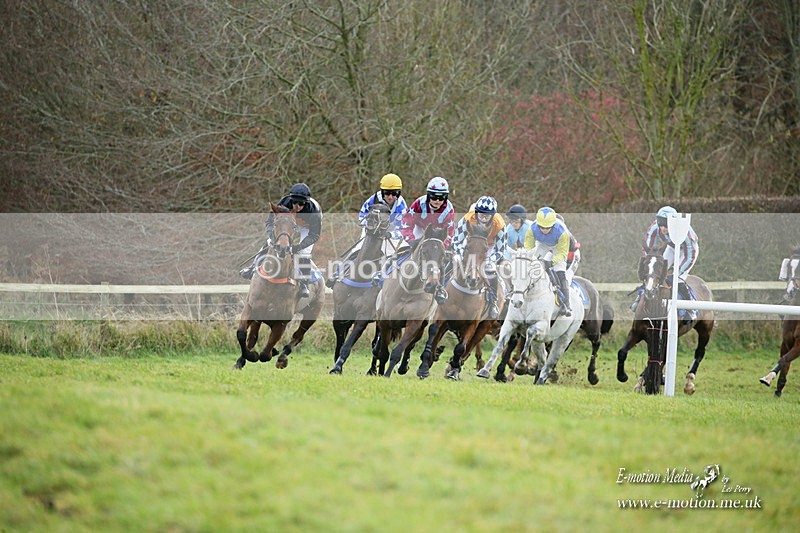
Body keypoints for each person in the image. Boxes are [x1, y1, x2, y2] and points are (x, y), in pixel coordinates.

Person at [239, 182, 322, 298]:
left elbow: (314, 235)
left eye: (301, 203)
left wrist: (298, 246)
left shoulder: (314, 212)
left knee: (304, 253)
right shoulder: (284, 203)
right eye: (295, 202)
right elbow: (269, 222)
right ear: (290, 199)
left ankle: (304, 283)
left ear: (306, 202)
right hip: (287, 223)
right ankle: (252, 267)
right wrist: (273, 238)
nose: (297, 206)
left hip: (307, 228)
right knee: (269, 242)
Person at [326, 174, 407, 288]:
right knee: (357, 249)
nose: (390, 197)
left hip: (389, 232)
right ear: (382, 191)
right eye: (387, 193)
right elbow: (361, 217)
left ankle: (385, 278)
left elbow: (403, 228)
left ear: (399, 193)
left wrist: (390, 234)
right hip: (371, 229)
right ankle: (337, 273)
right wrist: (370, 227)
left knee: (390, 253)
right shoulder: (373, 199)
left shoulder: (401, 206)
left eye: (394, 193)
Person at [633, 205, 699, 321]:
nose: (663, 228)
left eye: (666, 225)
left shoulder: (686, 232)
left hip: (687, 252)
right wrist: (648, 262)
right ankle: (640, 299)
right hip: (672, 248)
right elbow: (647, 246)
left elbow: (690, 256)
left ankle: (691, 309)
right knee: (654, 273)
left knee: (677, 279)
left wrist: (676, 273)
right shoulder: (655, 227)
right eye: (661, 225)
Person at [398, 176, 456, 302]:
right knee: (401, 248)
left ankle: (440, 288)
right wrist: (411, 240)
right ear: (429, 195)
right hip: (419, 230)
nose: (437, 200)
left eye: (441, 197)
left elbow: (450, 233)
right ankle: (384, 273)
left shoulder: (449, 209)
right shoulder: (419, 203)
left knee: (446, 260)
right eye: (434, 196)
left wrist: (443, 247)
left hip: (437, 236)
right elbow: (406, 223)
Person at [451, 196, 507, 319]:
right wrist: (463, 256)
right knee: (455, 260)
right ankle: (441, 289)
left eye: (487, 215)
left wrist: (488, 260)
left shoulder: (500, 224)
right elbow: (456, 241)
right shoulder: (467, 218)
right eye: (481, 213)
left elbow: (501, 250)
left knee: (490, 268)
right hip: (470, 244)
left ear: (493, 215)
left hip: (489, 247)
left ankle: (493, 301)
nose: (483, 217)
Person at [524, 206, 575, 317]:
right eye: (542, 227)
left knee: (560, 271)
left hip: (558, 247)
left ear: (553, 225)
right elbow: (528, 247)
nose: (544, 230)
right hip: (542, 245)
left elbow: (562, 253)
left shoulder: (562, 231)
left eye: (548, 228)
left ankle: (566, 304)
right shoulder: (532, 228)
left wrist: (552, 262)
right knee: (531, 266)